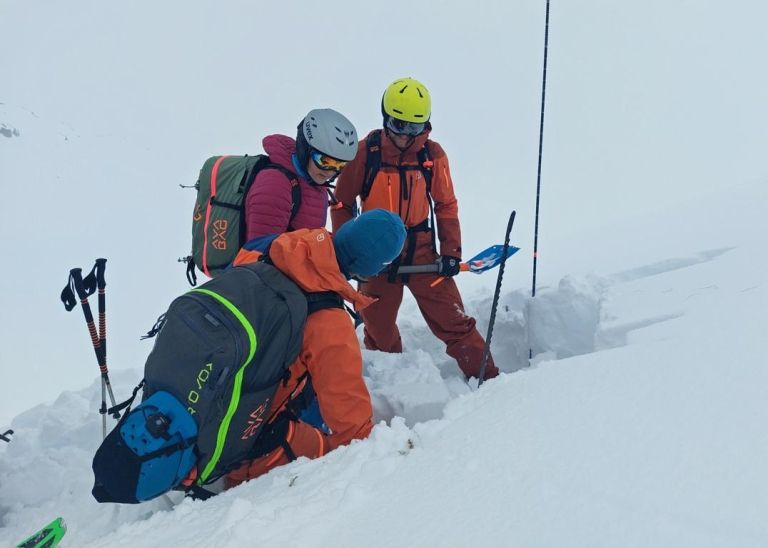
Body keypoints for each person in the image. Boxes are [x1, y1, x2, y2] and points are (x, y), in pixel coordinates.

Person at [91, 210, 407, 502]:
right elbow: (352, 426)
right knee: (330, 452)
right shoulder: (329, 321)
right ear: (370, 269)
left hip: (189, 393)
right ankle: (233, 471)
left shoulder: (266, 252)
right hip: (250, 440)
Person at [331, 77, 499, 381]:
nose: (407, 136)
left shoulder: (431, 156)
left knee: (454, 321)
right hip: (376, 255)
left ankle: (489, 381)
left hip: (421, 252)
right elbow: (342, 204)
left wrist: (451, 253)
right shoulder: (364, 153)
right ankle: (394, 387)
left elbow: (446, 205)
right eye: (399, 125)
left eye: (415, 127)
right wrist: (348, 254)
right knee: (378, 330)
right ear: (385, 118)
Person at [245, 108, 358, 240]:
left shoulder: (313, 180)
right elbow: (257, 255)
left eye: (340, 165)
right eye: (324, 161)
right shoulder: (275, 186)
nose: (330, 172)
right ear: (305, 149)